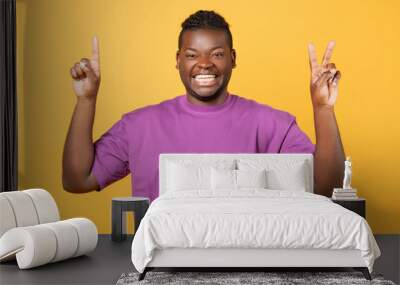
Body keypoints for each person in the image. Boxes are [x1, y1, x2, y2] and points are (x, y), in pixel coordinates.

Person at [62, 10, 345, 200]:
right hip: (160, 268)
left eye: (217, 54)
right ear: (178, 60)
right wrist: (86, 100)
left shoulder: (272, 125)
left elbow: (325, 187)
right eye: (192, 54)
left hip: (249, 262)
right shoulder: (138, 126)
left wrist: (323, 109)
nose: (205, 64)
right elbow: (78, 180)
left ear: (233, 58)